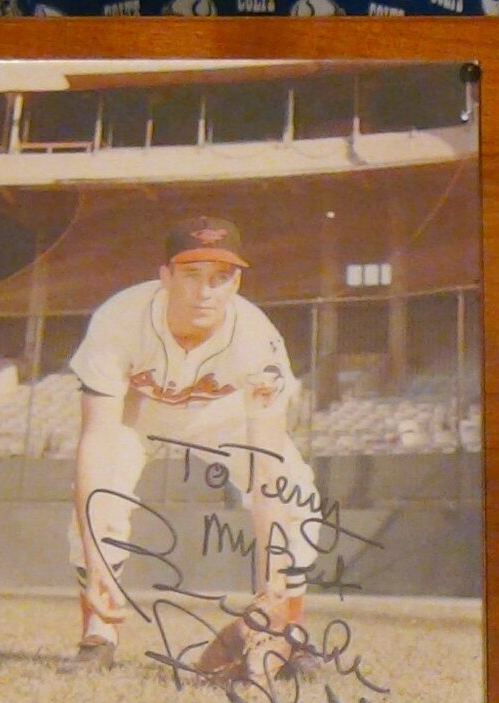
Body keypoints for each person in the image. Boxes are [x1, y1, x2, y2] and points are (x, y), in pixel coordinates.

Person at [68, 215, 318, 673]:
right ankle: (98, 635)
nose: (206, 291)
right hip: (140, 409)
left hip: (218, 413)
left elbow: (267, 473)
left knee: (296, 488)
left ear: (236, 282)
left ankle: (288, 634)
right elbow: (98, 441)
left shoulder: (258, 341)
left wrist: (273, 590)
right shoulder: (120, 319)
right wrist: (93, 553)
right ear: (164, 276)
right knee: (101, 495)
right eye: (191, 274)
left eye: (220, 278)